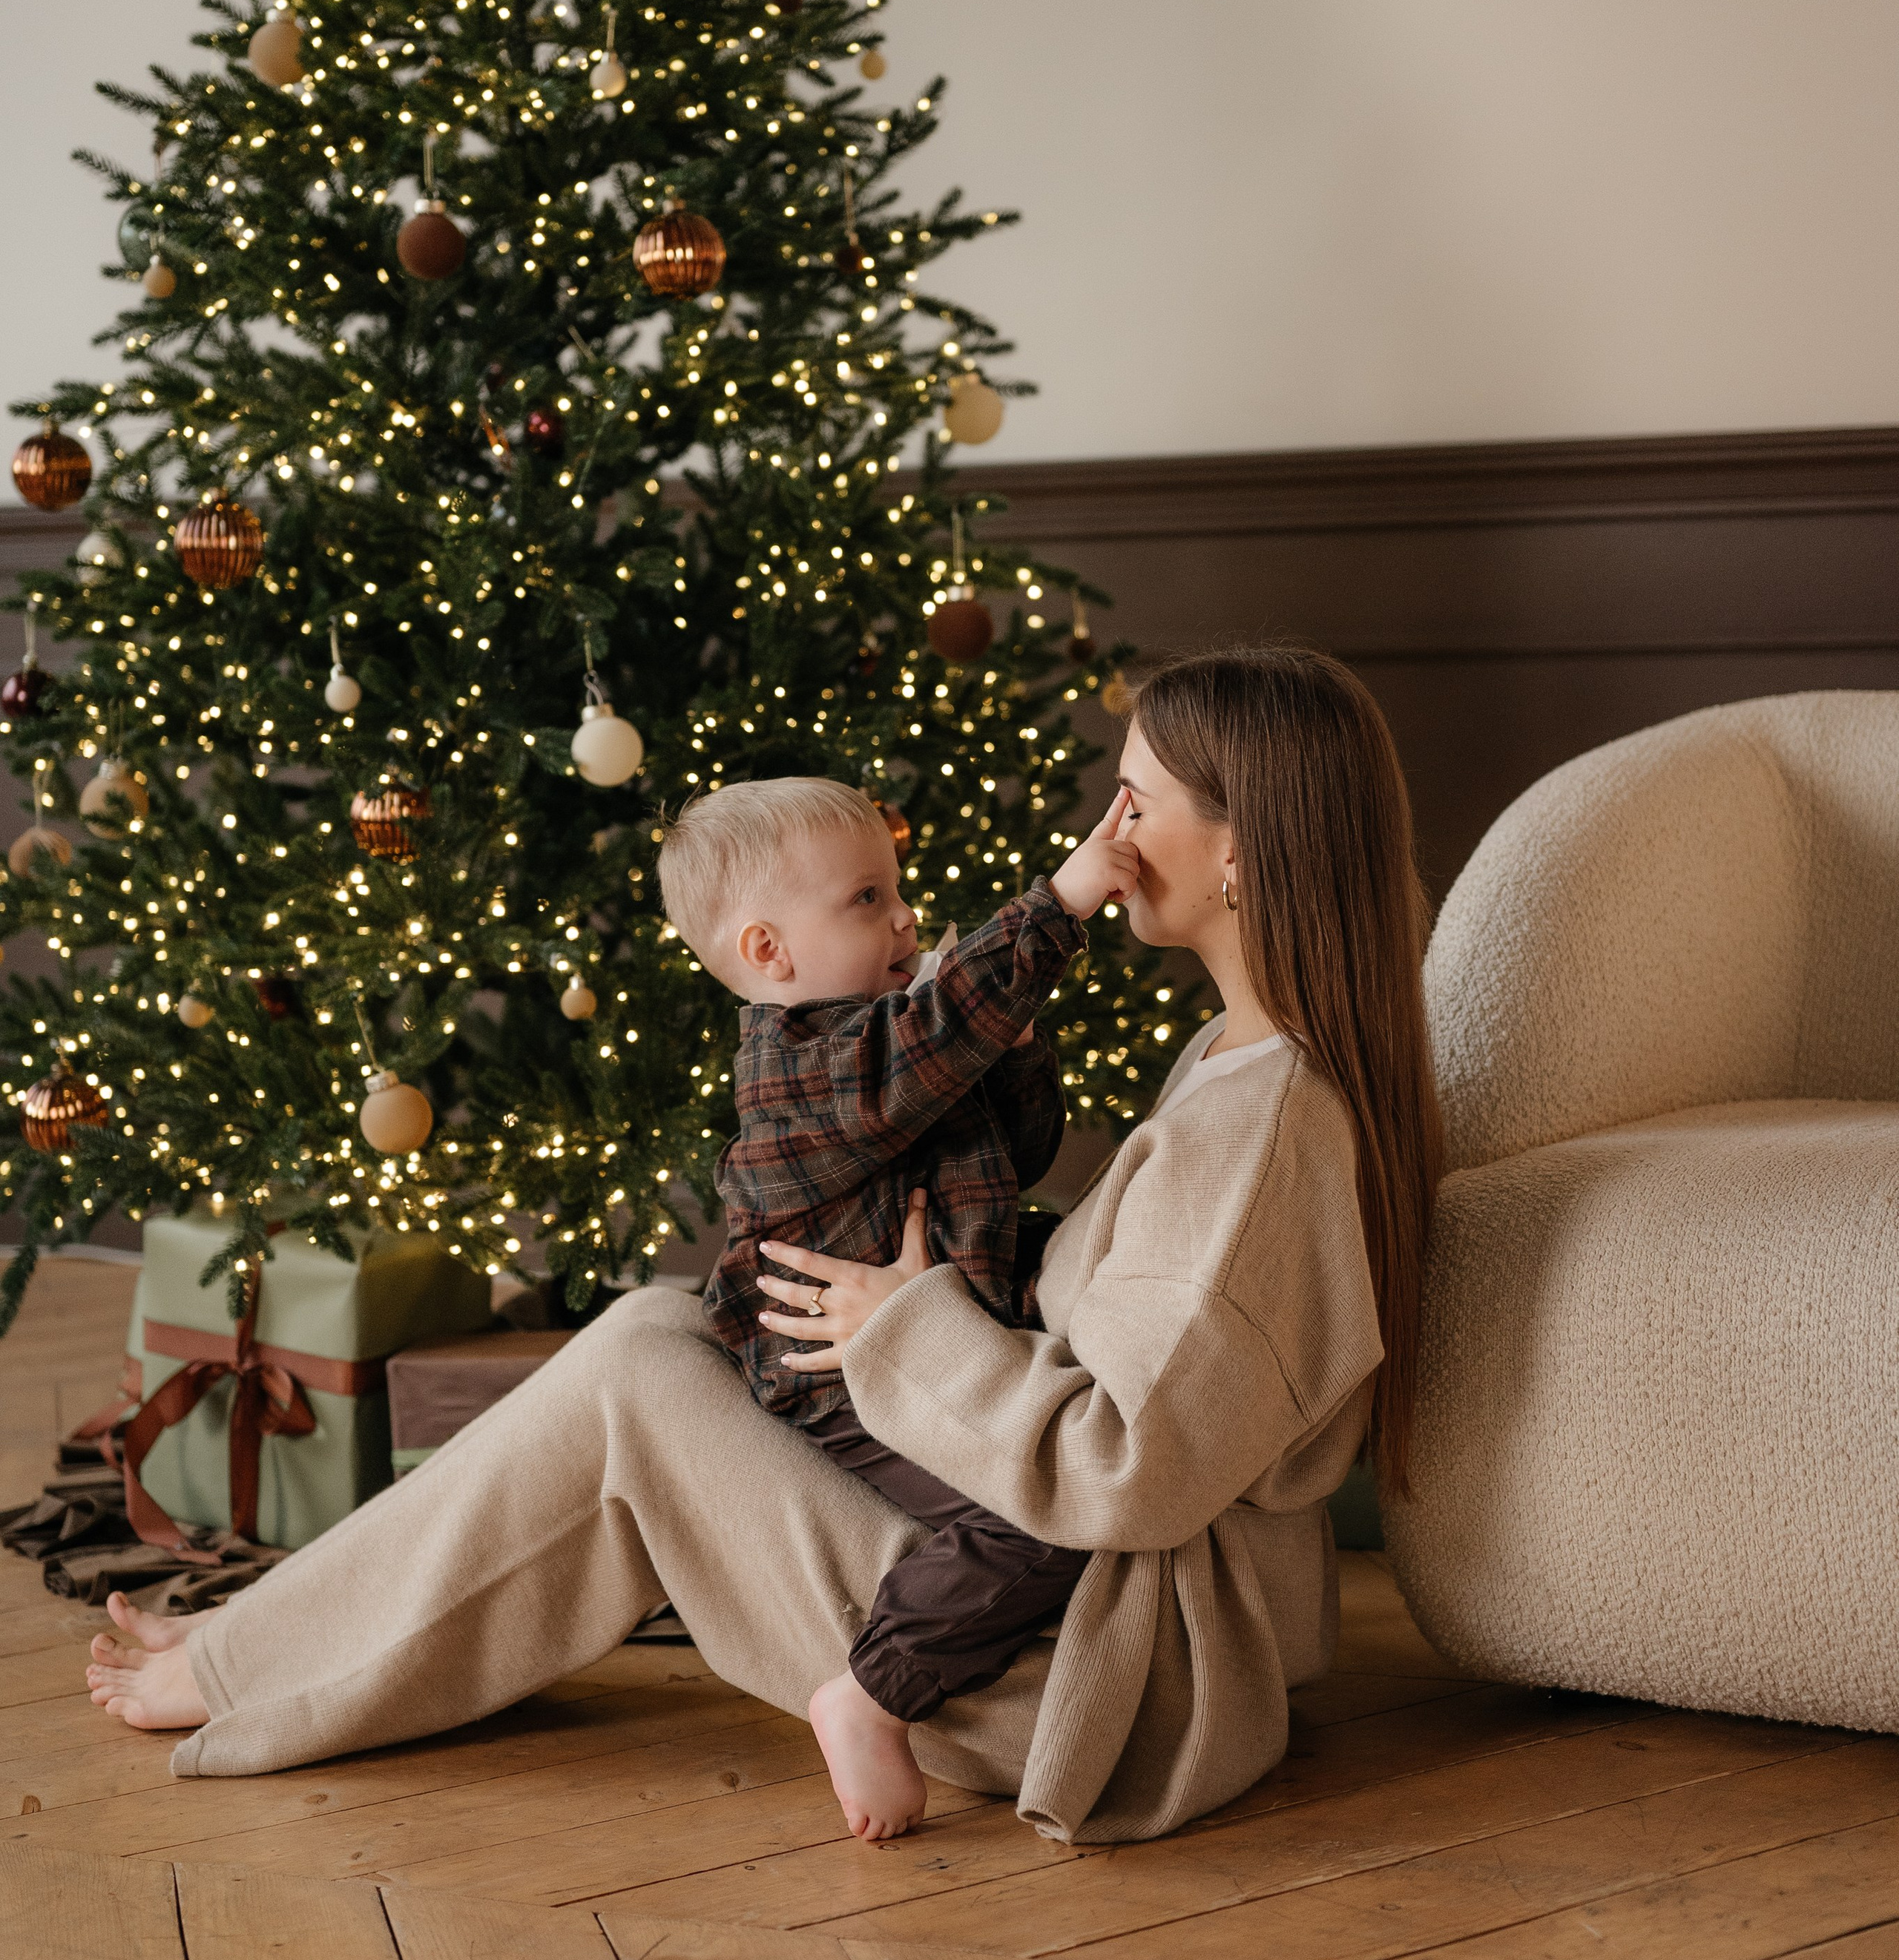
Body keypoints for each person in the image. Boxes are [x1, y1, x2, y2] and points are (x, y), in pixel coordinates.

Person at [85, 646, 1442, 1854]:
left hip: (1096, 1677)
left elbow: (1124, 1475)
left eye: (1138, 802)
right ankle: (268, 1636)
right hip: (1063, 1603)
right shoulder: (1233, 1059)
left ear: (1246, 853)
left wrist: (907, 1325)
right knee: (652, 1335)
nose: (1111, 830)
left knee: (636, 1386)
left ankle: (255, 1658)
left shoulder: (1258, 1140)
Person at [662, 774, 1139, 1838]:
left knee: (1078, 1480)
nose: (905, 918)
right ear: (768, 954)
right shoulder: (799, 1068)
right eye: (864, 899)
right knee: (1039, 1521)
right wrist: (1057, 906)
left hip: (938, 1339)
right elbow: (913, 1060)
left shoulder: (896, 1042)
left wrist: (1013, 1056)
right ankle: (873, 1694)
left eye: (896, 889)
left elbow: (1012, 1155)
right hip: (836, 1376)